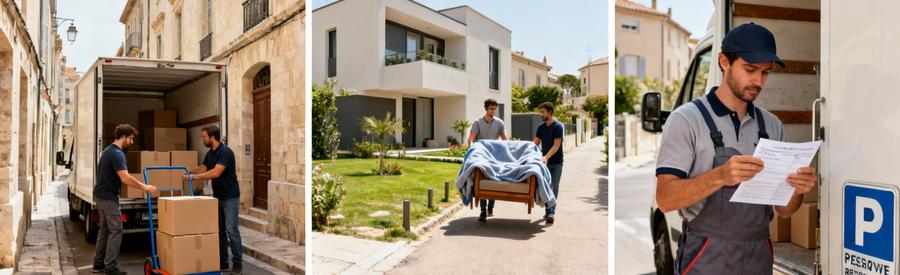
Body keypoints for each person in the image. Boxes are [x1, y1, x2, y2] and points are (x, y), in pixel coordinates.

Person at [654, 23, 817, 274]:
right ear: (723, 61)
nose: (758, 81)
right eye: (750, 69)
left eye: (765, 72)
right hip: (706, 256)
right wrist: (720, 176)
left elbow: (784, 211)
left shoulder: (772, 126)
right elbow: (665, 199)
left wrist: (798, 191)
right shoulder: (686, 120)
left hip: (758, 256)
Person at [93, 124, 159, 275]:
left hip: (101, 196)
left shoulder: (107, 151)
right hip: (108, 198)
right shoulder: (117, 154)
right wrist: (146, 187)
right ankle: (110, 268)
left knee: (104, 230)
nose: (131, 142)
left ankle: (98, 265)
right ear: (123, 137)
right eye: (130, 138)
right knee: (116, 230)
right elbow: (125, 178)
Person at [184, 125, 243, 274]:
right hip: (218, 196)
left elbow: (216, 173)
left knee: (231, 230)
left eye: (204, 137)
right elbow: (204, 168)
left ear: (212, 137)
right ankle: (223, 262)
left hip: (230, 197)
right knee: (220, 231)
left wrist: (193, 177)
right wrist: (188, 170)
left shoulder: (226, 152)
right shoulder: (210, 153)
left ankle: (237, 264)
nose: (202, 139)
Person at [468, 98, 508, 221]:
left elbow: (506, 140)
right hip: (481, 156)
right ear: (486, 109)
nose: (493, 111)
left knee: (494, 181)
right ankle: (483, 211)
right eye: (491, 108)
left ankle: (490, 208)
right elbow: (471, 140)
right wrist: (472, 151)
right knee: (481, 182)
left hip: (494, 156)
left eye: (495, 109)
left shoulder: (500, 123)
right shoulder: (477, 122)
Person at [533, 102, 563, 224]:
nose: (541, 114)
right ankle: (548, 210)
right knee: (544, 186)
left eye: (543, 112)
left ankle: (551, 211)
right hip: (543, 162)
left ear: (550, 113)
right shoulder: (541, 127)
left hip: (556, 162)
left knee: (554, 186)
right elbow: (535, 142)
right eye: (540, 112)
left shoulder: (558, 127)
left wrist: (546, 157)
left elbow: (556, 145)